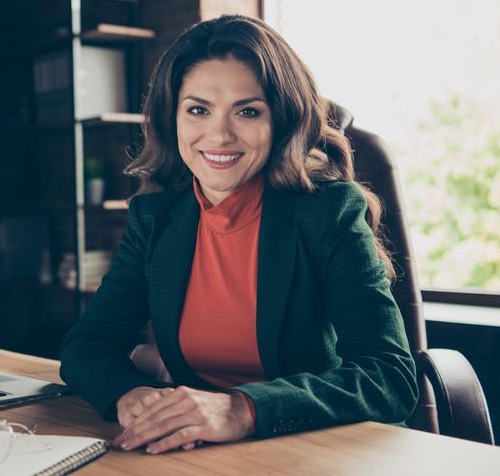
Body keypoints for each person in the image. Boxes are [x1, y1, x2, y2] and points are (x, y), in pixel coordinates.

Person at [59, 14, 418, 454]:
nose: (220, 135)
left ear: (281, 121)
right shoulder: (157, 219)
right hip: (194, 455)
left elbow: (389, 377)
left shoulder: (328, 213)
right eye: (198, 110)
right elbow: (88, 344)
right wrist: (131, 396)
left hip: (311, 450)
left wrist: (241, 409)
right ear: (172, 119)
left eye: (247, 111)